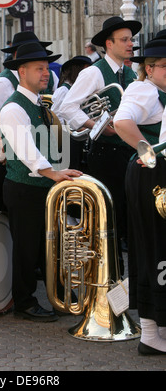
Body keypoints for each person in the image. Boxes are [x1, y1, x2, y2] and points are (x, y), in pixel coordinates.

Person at [0, 42, 82, 322]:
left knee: (52, 245)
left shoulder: (37, 103)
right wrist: (55, 173)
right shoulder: (13, 107)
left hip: (43, 186)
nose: (46, 74)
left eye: (46, 68)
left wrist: (60, 171)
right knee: (26, 247)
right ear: (22, 72)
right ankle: (23, 301)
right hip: (24, 187)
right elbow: (26, 151)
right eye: (39, 69)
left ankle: (58, 293)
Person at [59, 16, 142, 274]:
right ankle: (108, 279)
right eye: (125, 40)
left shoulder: (129, 73)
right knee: (108, 220)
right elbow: (67, 107)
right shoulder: (94, 72)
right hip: (105, 154)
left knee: (128, 218)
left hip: (127, 152)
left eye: (131, 39)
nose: (131, 44)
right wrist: (95, 124)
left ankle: (125, 284)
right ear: (109, 43)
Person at [114, 39, 166, 355]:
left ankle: (158, 327)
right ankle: (149, 332)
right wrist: (151, 156)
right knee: (152, 249)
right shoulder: (144, 90)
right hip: (152, 175)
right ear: (150, 68)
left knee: (161, 249)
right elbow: (121, 122)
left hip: (157, 174)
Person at [0, 31, 57, 210]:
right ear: (17, 56)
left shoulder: (49, 78)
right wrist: (5, 144)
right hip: (14, 164)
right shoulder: (3, 82)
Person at [52, 55, 92, 174]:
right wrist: (76, 127)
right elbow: (55, 118)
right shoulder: (64, 90)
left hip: (79, 139)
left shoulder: (80, 89)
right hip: (67, 141)